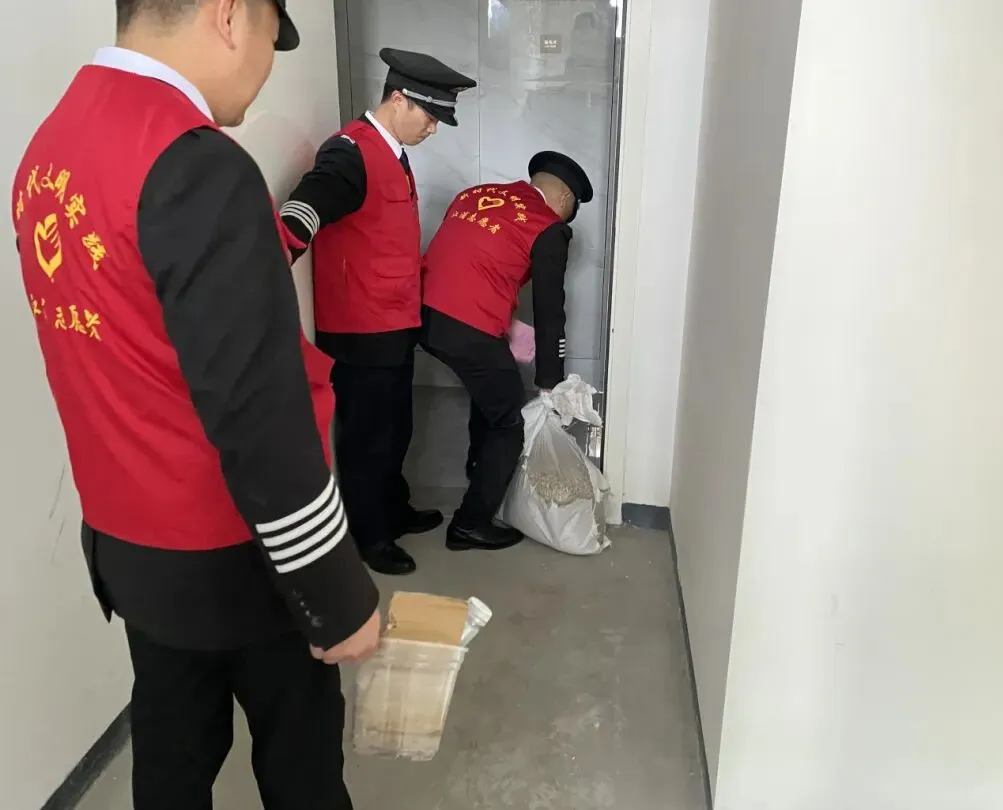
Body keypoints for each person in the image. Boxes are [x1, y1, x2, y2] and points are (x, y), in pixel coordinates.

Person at [12, 2, 380, 808]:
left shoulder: (51, 147)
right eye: (271, 42)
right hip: (238, 550)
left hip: (131, 546)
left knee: (172, 751)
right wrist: (335, 593)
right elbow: (259, 412)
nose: (267, 69)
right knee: (301, 764)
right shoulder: (195, 164)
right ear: (229, 16)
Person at [279, 48, 477, 577]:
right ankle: (370, 535)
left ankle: (393, 507)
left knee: (396, 427)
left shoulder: (393, 153)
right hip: (360, 329)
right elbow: (309, 202)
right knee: (368, 437)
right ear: (398, 99)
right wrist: (274, 253)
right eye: (430, 116)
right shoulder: (350, 152)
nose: (433, 129)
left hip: (393, 321)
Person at [420, 151, 594, 550]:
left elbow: (468, 261)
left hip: (421, 314)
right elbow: (550, 310)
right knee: (507, 422)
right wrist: (550, 382)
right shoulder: (549, 227)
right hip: (469, 328)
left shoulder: (475, 194)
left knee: (491, 396)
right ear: (565, 199)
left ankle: (479, 468)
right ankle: (470, 524)